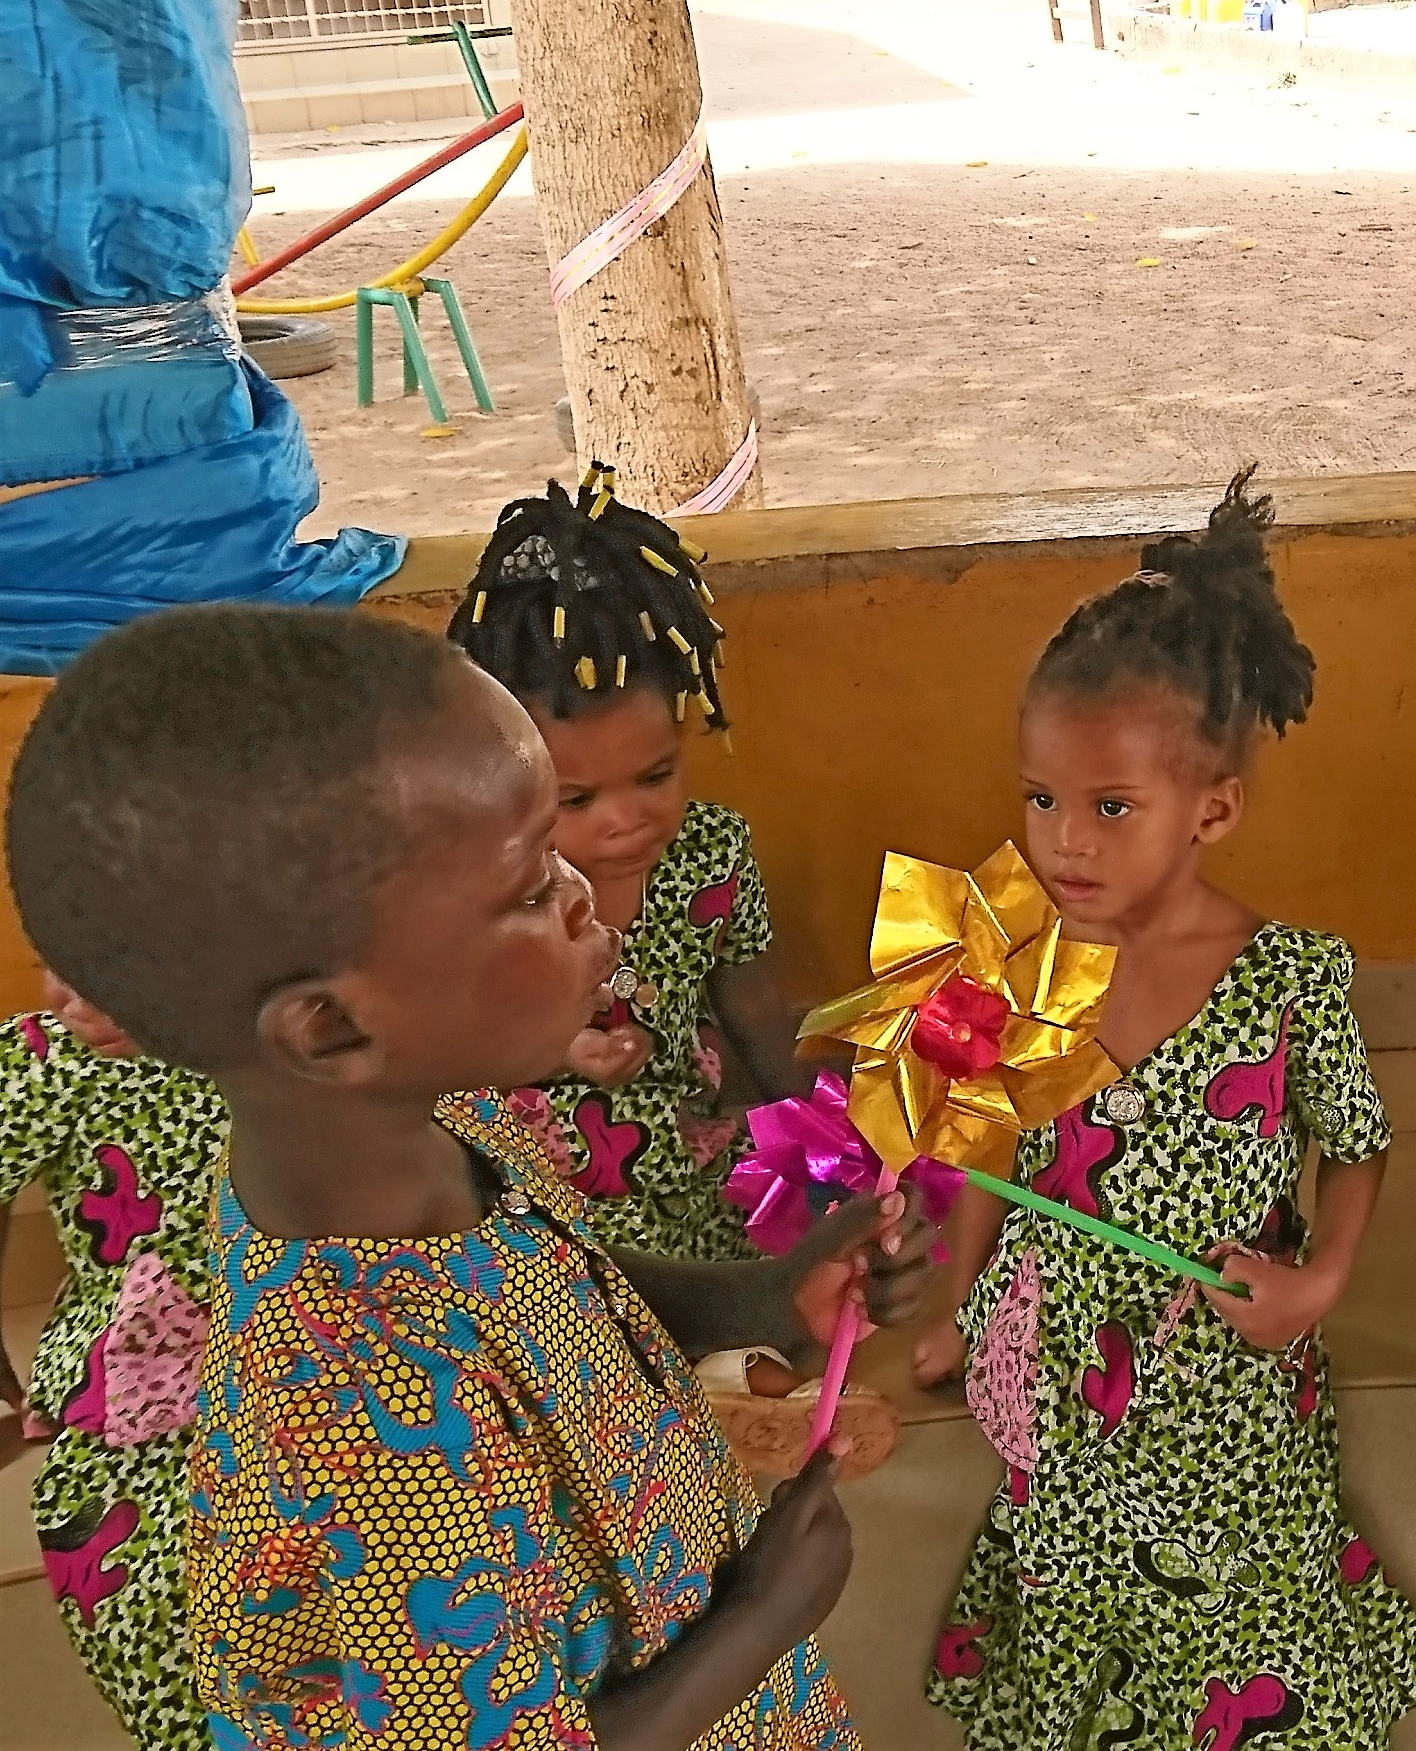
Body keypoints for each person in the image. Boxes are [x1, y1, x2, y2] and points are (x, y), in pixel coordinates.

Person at [5, 603, 938, 1751]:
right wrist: (764, 1615)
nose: (585, 893)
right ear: (334, 1027)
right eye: (529, 886)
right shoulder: (361, 1425)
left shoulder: (425, 1125)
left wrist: (768, 1293)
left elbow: (553, 1285)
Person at [913, 471, 1416, 1751]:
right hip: (1055, 1367)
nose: (1064, 843)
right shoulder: (1019, 966)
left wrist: (1319, 1283)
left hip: (1229, 1369)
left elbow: (1362, 1148)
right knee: (1082, 1600)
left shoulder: (1289, 980)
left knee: (1244, 1603)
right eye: (1042, 798)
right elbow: (983, 1158)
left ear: (1211, 809)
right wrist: (944, 1310)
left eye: (1112, 807)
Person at [447, 468, 810, 1263]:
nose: (626, 820)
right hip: (529, 1201)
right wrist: (553, 1050)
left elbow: (752, 1000)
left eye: (656, 776)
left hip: (689, 1182)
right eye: (576, 801)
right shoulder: (478, 883)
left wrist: (815, 1125)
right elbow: (443, 1044)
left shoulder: (713, 855)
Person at [0, 979, 225, 1751]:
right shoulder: (45, 1059)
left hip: (321, 1363)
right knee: (153, 1618)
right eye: (55, 952)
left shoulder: (300, 1025)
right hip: (131, 1407)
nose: (77, 992)